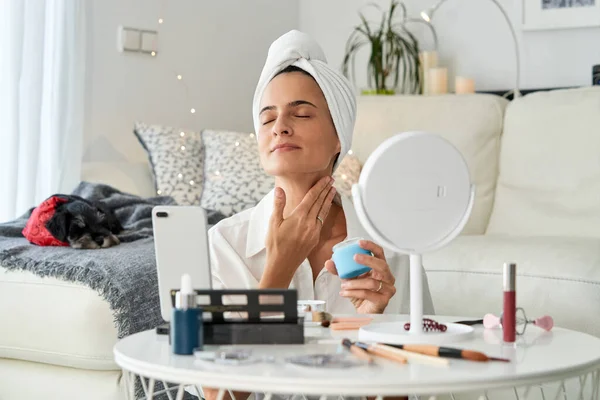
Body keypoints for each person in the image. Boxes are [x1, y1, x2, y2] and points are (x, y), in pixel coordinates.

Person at [203, 30, 434, 400]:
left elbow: (411, 392)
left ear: (339, 136)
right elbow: (220, 395)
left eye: (302, 113)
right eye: (267, 119)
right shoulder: (226, 243)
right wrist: (277, 272)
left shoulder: (390, 245)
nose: (280, 126)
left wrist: (373, 321)